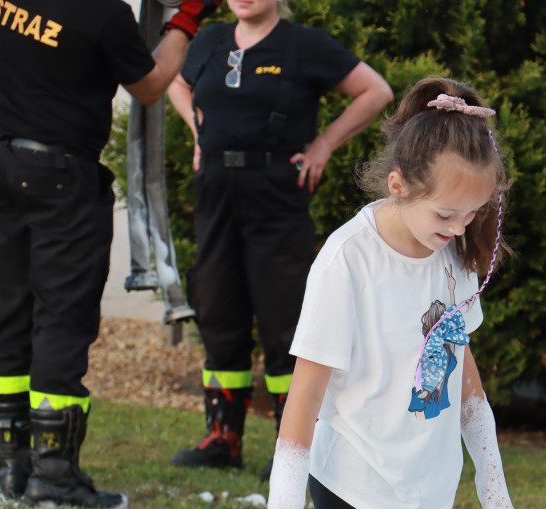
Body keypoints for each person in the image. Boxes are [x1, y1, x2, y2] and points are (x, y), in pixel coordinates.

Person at [260, 77, 534, 509]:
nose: (460, 230)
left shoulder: (454, 255)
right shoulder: (346, 260)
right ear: (398, 185)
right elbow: (304, 395)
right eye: (446, 213)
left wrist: (495, 487)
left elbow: (462, 375)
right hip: (357, 482)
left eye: (472, 214)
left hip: (426, 485)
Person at [0, 0, 222, 509]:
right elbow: (151, 86)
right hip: (62, 177)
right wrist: (185, 20)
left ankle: (13, 466)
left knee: (4, 314)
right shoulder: (103, 14)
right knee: (62, 321)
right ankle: (54, 477)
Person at [166, 0, 392, 474]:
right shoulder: (208, 41)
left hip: (275, 192)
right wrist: (197, 133)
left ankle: (292, 450)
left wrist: (324, 145)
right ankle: (221, 438)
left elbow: (375, 91)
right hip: (214, 191)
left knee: (284, 317)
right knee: (216, 307)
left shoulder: (303, 45)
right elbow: (175, 81)